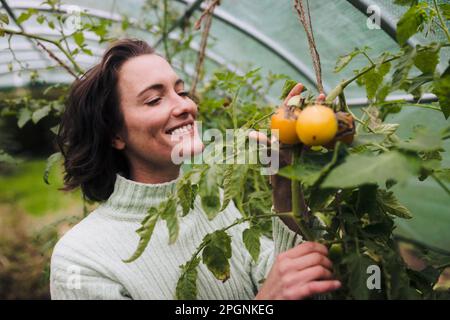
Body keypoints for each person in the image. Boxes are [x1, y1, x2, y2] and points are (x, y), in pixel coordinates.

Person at [50, 38, 341, 300]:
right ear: (115, 134)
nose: (185, 106)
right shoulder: (81, 260)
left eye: (182, 91)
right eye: (154, 99)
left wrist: (284, 184)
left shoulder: (209, 203)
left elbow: (289, 280)